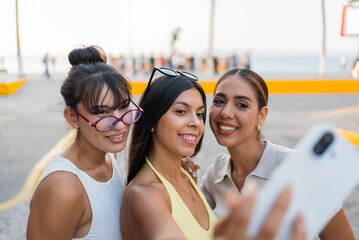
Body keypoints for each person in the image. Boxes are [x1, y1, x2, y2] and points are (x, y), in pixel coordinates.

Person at [120, 67, 306, 240]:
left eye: (200, 114)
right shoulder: (144, 195)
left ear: (262, 115)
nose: (196, 123)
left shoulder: (188, 179)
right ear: (152, 119)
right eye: (181, 111)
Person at [184, 68, 354, 239]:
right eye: (219, 101)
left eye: (242, 105)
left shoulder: (299, 167)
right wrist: (182, 177)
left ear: (261, 116)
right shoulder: (216, 172)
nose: (226, 112)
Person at [27, 46, 143, 240]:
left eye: (123, 107)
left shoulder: (106, 154)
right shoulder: (62, 187)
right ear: (72, 117)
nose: (119, 123)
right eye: (101, 112)